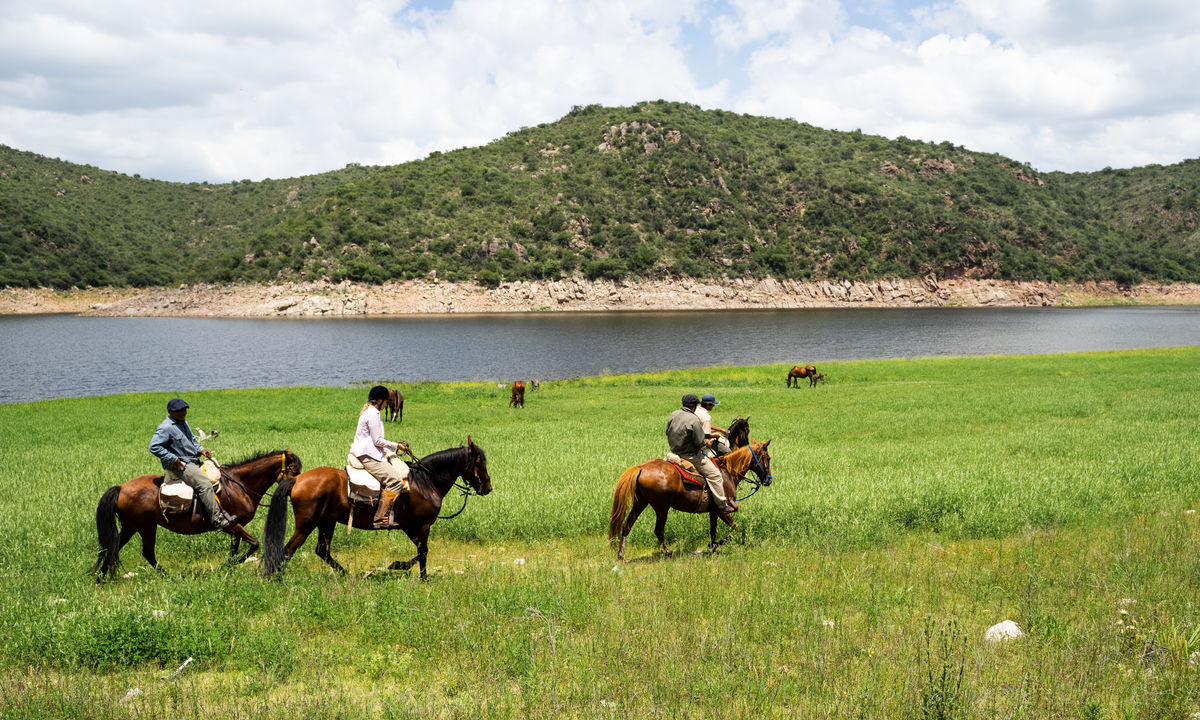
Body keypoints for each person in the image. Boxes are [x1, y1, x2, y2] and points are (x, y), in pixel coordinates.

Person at [149, 398, 234, 530]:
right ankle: (216, 519)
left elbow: (193, 441)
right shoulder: (165, 428)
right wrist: (173, 459)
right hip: (181, 465)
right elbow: (154, 447)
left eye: (185, 410)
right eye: (179, 411)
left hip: (193, 460)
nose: (183, 413)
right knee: (204, 484)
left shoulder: (183, 422)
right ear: (171, 412)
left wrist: (201, 449)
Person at [666, 393, 737, 515]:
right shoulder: (694, 419)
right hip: (690, 455)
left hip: (674, 452)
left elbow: (668, 432)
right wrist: (707, 444)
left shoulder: (674, 414)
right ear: (694, 406)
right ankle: (721, 505)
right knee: (715, 475)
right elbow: (700, 443)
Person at [352, 385, 411, 529]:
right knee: (395, 480)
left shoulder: (370, 412)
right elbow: (377, 441)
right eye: (386, 401)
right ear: (379, 401)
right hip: (368, 455)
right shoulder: (373, 414)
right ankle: (380, 518)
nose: (387, 404)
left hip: (369, 452)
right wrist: (397, 446)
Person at [695, 393, 731, 457]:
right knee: (728, 452)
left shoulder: (697, 409)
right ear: (708, 404)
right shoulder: (706, 417)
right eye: (713, 405)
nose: (713, 406)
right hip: (702, 442)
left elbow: (707, 424)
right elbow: (705, 436)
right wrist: (715, 436)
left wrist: (721, 429)